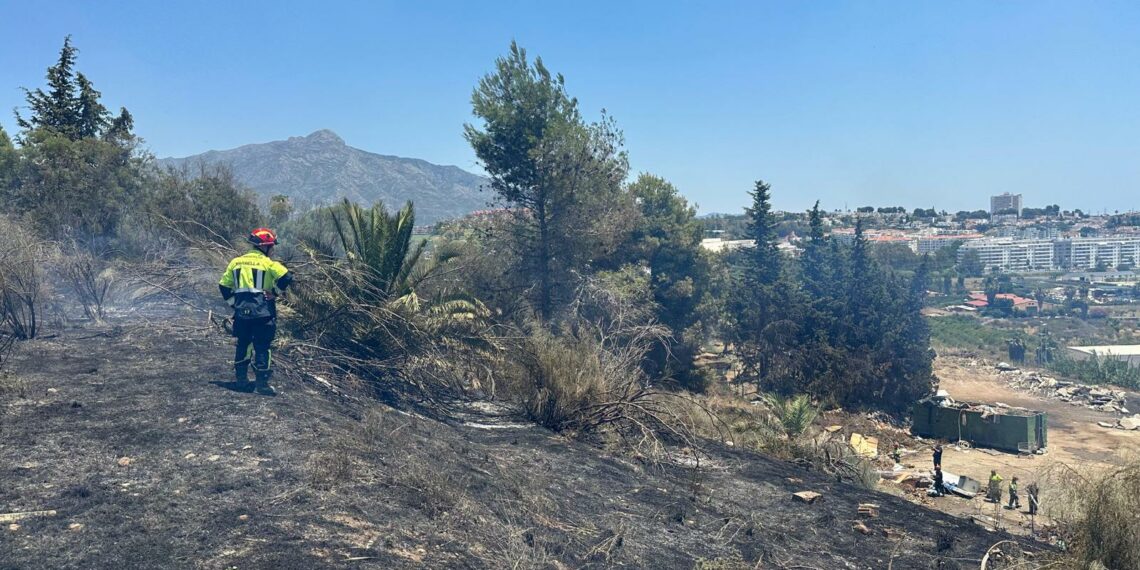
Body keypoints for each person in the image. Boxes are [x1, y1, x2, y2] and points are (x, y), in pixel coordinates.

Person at [219, 228, 293, 395]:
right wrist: (275, 293)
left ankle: (241, 381)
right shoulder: (268, 263)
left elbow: (223, 286)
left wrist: (234, 304)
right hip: (263, 313)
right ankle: (262, 384)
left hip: (241, 314)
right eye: (272, 246)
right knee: (262, 346)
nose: (273, 250)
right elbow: (287, 276)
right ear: (265, 246)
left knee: (243, 344)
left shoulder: (236, 262)